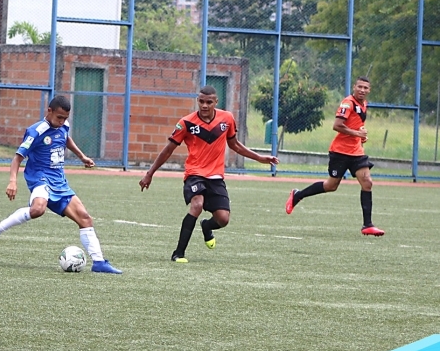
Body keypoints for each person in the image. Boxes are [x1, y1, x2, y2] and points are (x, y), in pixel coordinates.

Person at [0, 95, 122, 274]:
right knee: (38, 209)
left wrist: (82, 156)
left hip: (59, 181)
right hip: (40, 178)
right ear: (49, 111)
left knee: (85, 218)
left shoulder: (64, 126)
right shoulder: (36, 131)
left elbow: (65, 138)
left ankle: (99, 262)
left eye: (65, 118)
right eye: (59, 117)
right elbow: (17, 158)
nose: (62, 122)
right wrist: (12, 181)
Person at [139, 85, 279, 263]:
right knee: (197, 205)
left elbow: (234, 145)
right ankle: (178, 253)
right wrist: (150, 173)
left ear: (216, 102)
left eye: (209, 102)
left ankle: (206, 226)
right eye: (201, 101)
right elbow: (168, 150)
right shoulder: (186, 123)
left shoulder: (226, 119)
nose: (204, 105)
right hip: (194, 173)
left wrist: (259, 158)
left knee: (223, 219)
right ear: (198, 101)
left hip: (215, 177)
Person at [285, 77, 384, 236]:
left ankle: (368, 225)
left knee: (367, 182)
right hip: (340, 152)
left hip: (357, 152)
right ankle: (298, 195)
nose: (362, 90)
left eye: (365, 88)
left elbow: (356, 125)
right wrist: (357, 133)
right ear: (354, 87)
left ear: (369, 90)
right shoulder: (348, 103)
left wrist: (361, 136)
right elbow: (337, 126)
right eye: (359, 87)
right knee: (331, 186)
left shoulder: (364, 104)